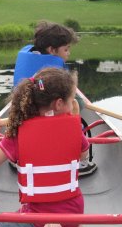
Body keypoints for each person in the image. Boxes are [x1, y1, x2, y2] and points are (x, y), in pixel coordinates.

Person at [0, 68, 91, 227]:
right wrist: (73, 117)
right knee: (68, 215)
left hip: (40, 218)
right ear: (59, 104)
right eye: (71, 99)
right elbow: (84, 155)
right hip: (75, 211)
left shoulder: (18, 132)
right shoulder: (74, 128)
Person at [13, 20, 97, 175]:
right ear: (52, 50)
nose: (68, 53)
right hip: (48, 126)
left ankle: (17, 156)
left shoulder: (31, 57)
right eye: (66, 49)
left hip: (26, 125)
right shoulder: (53, 73)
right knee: (75, 106)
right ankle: (78, 156)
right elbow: (70, 102)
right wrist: (77, 101)